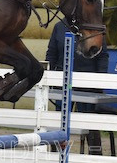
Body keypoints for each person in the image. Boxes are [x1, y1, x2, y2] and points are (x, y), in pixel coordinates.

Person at [45, 19, 109, 154]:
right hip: (62, 81)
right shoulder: (59, 26)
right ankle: (56, 153)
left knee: (88, 120)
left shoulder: (93, 27)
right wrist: (50, 77)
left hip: (88, 82)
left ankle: (95, 155)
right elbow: (51, 52)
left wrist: (100, 81)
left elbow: (102, 56)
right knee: (59, 119)